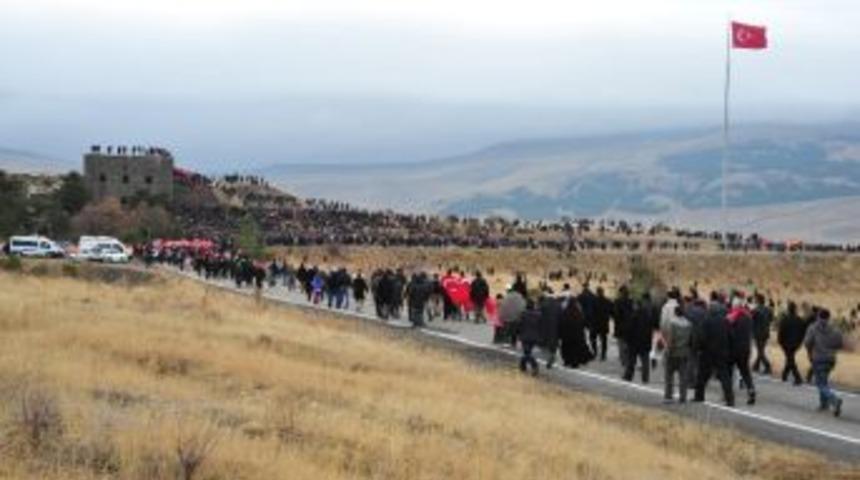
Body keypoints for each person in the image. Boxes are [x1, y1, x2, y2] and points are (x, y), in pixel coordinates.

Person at [694, 292, 735, 407]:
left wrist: (698, 348)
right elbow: (731, 336)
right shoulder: (726, 321)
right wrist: (730, 350)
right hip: (722, 351)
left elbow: (701, 336)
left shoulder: (706, 321)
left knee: (702, 375)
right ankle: (730, 399)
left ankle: (699, 396)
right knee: (724, 376)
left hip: (708, 352)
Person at [804, 309, 844, 416]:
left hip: (818, 358)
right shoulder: (835, 329)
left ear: (818, 316)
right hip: (830, 359)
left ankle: (834, 400)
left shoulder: (813, 328)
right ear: (828, 317)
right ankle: (823, 404)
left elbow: (807, 342)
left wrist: (811, 351)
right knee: (824, 381)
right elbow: (840, 344)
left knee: (820, 384)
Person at [727, 296, 756, 405]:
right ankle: (751, 390)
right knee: (745, 371)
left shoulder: (732, 317)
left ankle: (729, 394)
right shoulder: (748, 317)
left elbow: (728, 332)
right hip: (746, 347)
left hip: (734, 348)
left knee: (729, 370)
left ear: (735, 306)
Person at [661, 304, 693, 403]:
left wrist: (667, 351)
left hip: (674, 352)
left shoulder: (672, 323)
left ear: (675, 312)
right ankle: (683, 396)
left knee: (669, 375)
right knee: (683, 376)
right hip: (684, 352)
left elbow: (671, 339)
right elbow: (691, 340)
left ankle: (668, 395)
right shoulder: (689, 324)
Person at [622, 295, 654, 384]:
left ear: (636, 306)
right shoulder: (648, 316)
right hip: (645, 342)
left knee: (631, 360)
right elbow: (650, 330)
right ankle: (645, 378)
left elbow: (629, 329)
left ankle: (628, 375)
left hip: (634, 342)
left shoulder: (633, 315)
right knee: (645, 361)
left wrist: (627, 340)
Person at [558, 292, 593, 368]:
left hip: (567, 335)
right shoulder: (578, 312)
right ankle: (575, 362)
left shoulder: (565, 312)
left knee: (567, 348)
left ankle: (567, 361)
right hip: (577, 334)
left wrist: (560, 333)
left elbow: (562, 322)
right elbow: (583, 322)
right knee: (575, 348)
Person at [777, 301, 805, 385]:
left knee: (790, 359)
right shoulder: (799, 320)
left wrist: (780, 342)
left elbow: (781, 332)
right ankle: (784, 375)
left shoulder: (784, 320)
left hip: (786, 343)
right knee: (790, 358)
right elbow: (802, 332)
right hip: (796, 343)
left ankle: (798, 378)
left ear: (788, 310)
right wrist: (800, 342)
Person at [751, 293, 774, 375]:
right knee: (761, 350)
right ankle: (756, 366)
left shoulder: (755, 310)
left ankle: (767, 366)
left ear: (758, 300)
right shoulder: (768, 309)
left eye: (755, 299)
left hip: (758, 333)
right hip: (765, 332)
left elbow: (751, 321)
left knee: (760, 351)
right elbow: (771, 319)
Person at [518, 299, 542, 376]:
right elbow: (540, 326)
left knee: (527, 353)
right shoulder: (539, 314)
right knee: (527, 352)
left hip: (525, 336)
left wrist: (518, 334)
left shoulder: (523, 314)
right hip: (535, 336)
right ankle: (523, 366)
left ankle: (534, 365)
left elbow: (519, 325)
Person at [538, 294, 562, 369]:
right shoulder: (558, 305)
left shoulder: (544, 305)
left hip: (545, 327)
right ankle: (552, 355)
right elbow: (561, 316)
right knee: (554, 342)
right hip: (556, 327)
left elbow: (539, 316)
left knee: (546, 343)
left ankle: (550, 357)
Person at [613, 286, 634, 368]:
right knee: (628, 344)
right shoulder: (631, 301)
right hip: (629, 326)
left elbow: (615, 314)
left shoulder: (617, 302)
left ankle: (624, 361)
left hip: (620, 326)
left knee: (621, 344)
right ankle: (627, 359)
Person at [590, 287, 613, 361]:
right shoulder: (607, 301)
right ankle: (603, 354)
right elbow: (611, 311)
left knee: (593, 338)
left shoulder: (593, 301)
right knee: (603, 339)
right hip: (603, 323)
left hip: (595, 323)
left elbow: (590, 312)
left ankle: (595, 352)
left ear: (597, 292)